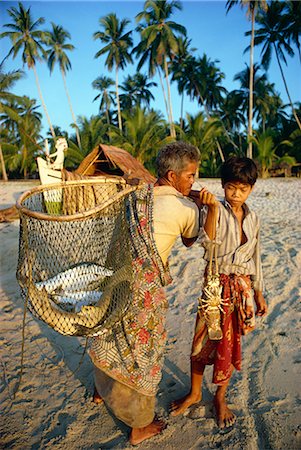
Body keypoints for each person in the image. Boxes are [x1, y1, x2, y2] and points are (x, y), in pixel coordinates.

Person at [89, 141, 216, 445]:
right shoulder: (185, 207)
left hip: (114, 279)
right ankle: (139, 426)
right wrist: (205, 207)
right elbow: (192, 241)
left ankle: (100, 391)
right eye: (190, 176)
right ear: (173, 177)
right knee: (143, 353)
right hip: (142, 290)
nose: (193, 181)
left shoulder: (135, 194)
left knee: (108, 334)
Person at [170, 156, 268, 429]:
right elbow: (208, 242)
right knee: (201, 341)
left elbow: (256, 257)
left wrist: (259, 291)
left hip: (242, 288)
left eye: (243, 189)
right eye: (231, 187)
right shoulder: (214, 209)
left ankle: (221, 397)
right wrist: (211, 209)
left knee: (230, 343)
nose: (236, 194)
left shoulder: (254, 218)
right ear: (223, 186)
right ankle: (195, 392)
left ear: (251, 189)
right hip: (215, 284)